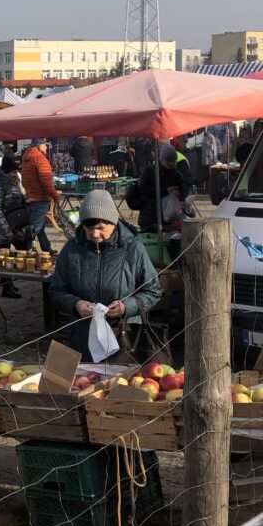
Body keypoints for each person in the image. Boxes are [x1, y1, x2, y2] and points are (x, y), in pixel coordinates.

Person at [49, 191, 162, 361]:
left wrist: (126, 306)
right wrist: (75, 304)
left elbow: (153, 291)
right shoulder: (71, 249)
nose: (95, 234)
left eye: (101, 228)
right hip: (82, 340)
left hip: (125, 339)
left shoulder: (133, 249)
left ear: (113, 223)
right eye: (89, 228)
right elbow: (56, 291)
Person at [0, 156, 33, 298]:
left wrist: (25, 200)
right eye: (12, 172)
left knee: (22, 249)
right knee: (5, 256)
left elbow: (14, 200)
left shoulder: (14, 182)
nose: (15, 174)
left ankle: (7, 284)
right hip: (1, 227)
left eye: (16, 171)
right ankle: (6, 287)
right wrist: (6, 229)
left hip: (14, 224)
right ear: (5, 173)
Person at [135, 144, 191, 233]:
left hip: (169, 217)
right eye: (168, 160)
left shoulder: (177, 175)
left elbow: (183, 192)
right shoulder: (149, 171)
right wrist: (165, 190)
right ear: (162, 159)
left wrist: (179, 195)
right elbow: (143, 189)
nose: (171, 163)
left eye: (173, 160)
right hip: (150, 216)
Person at [21, 138, 60, 254]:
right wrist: (55, 195)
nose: (46, 147)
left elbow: (24, 180)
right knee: (34, 228)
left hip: (30, 196)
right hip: (40, 198)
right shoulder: (40, 159)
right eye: (45, 145)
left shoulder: (27, 159)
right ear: (39, 146)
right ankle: (24, 250)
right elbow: (46, 181)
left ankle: (46, 247)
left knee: (39, 226)